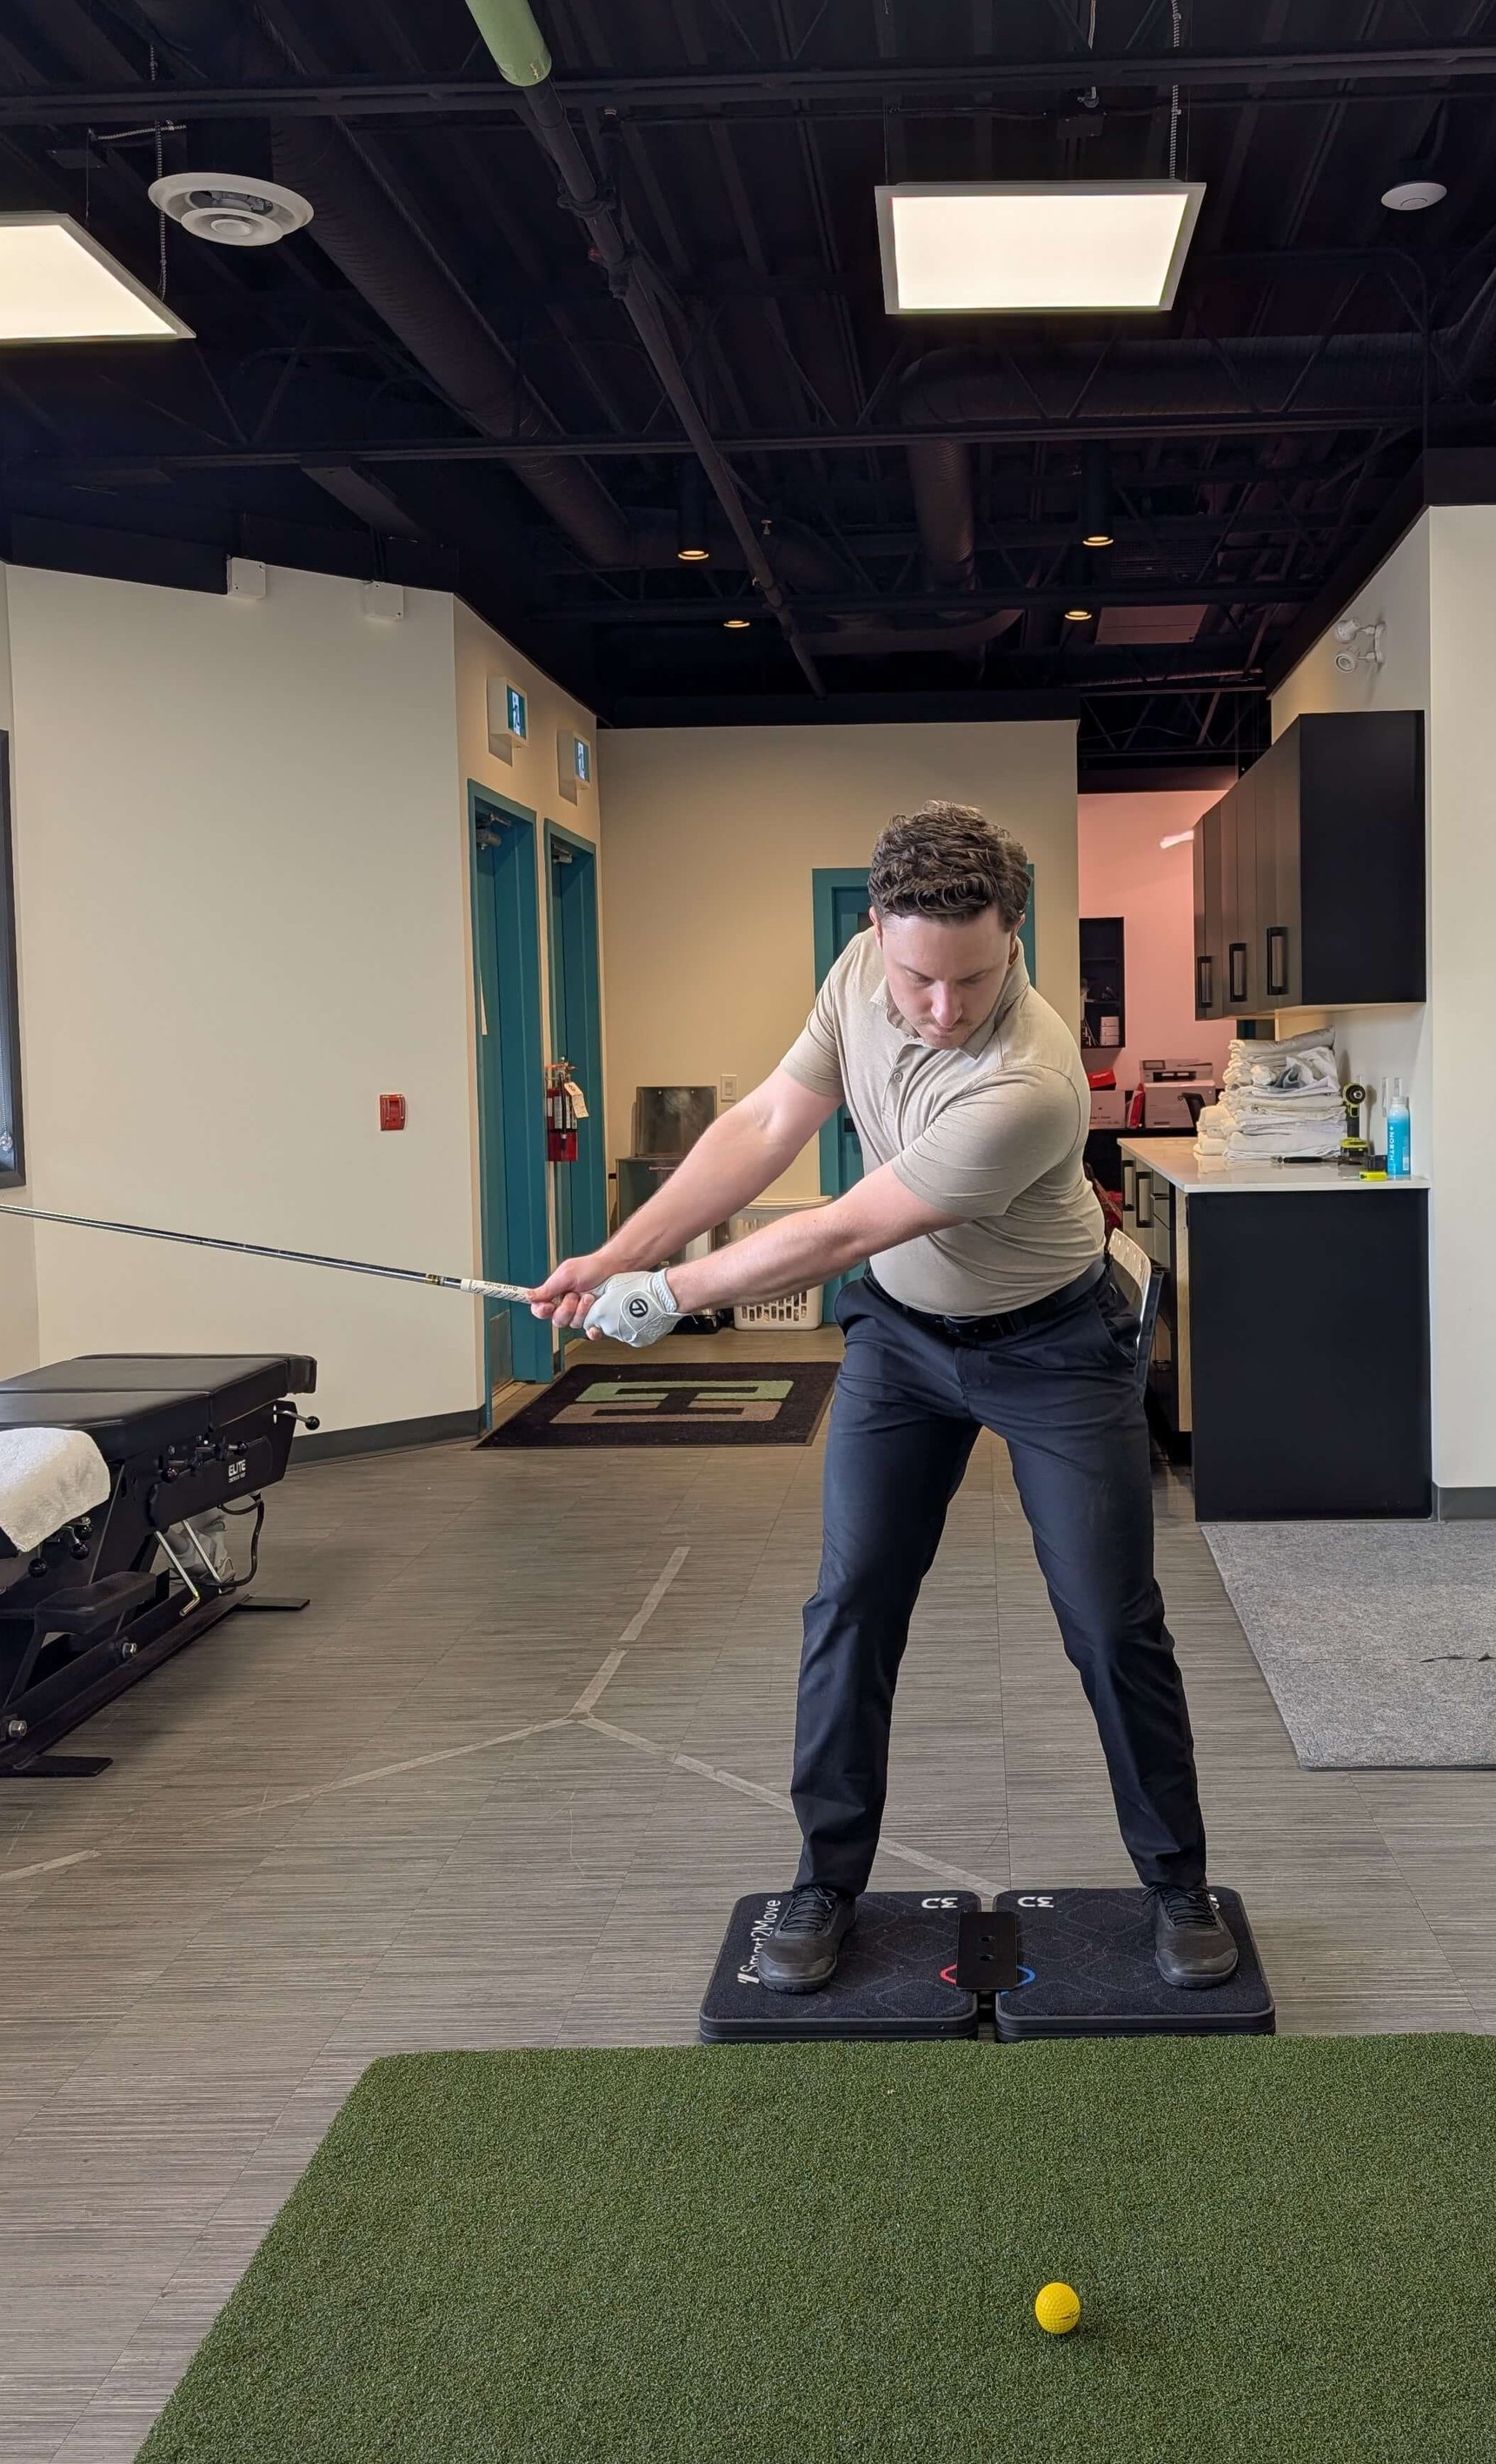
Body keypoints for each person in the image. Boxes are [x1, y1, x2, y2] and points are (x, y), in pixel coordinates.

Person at [529, 801, 1235, 1995]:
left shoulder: (1031, 1081)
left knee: (1111, 1621)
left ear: (1014, 938)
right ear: (878, 936)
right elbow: (765, 1121)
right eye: (919, 979)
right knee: (852, 1601)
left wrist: (674, 1291)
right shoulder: (859, 970)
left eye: (972, 978)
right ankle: (824, 1882)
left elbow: (844, 1225)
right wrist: (619, 1253)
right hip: (903, 1344)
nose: (942, 1010)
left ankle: (1177, 1881)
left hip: (1054, 1349)